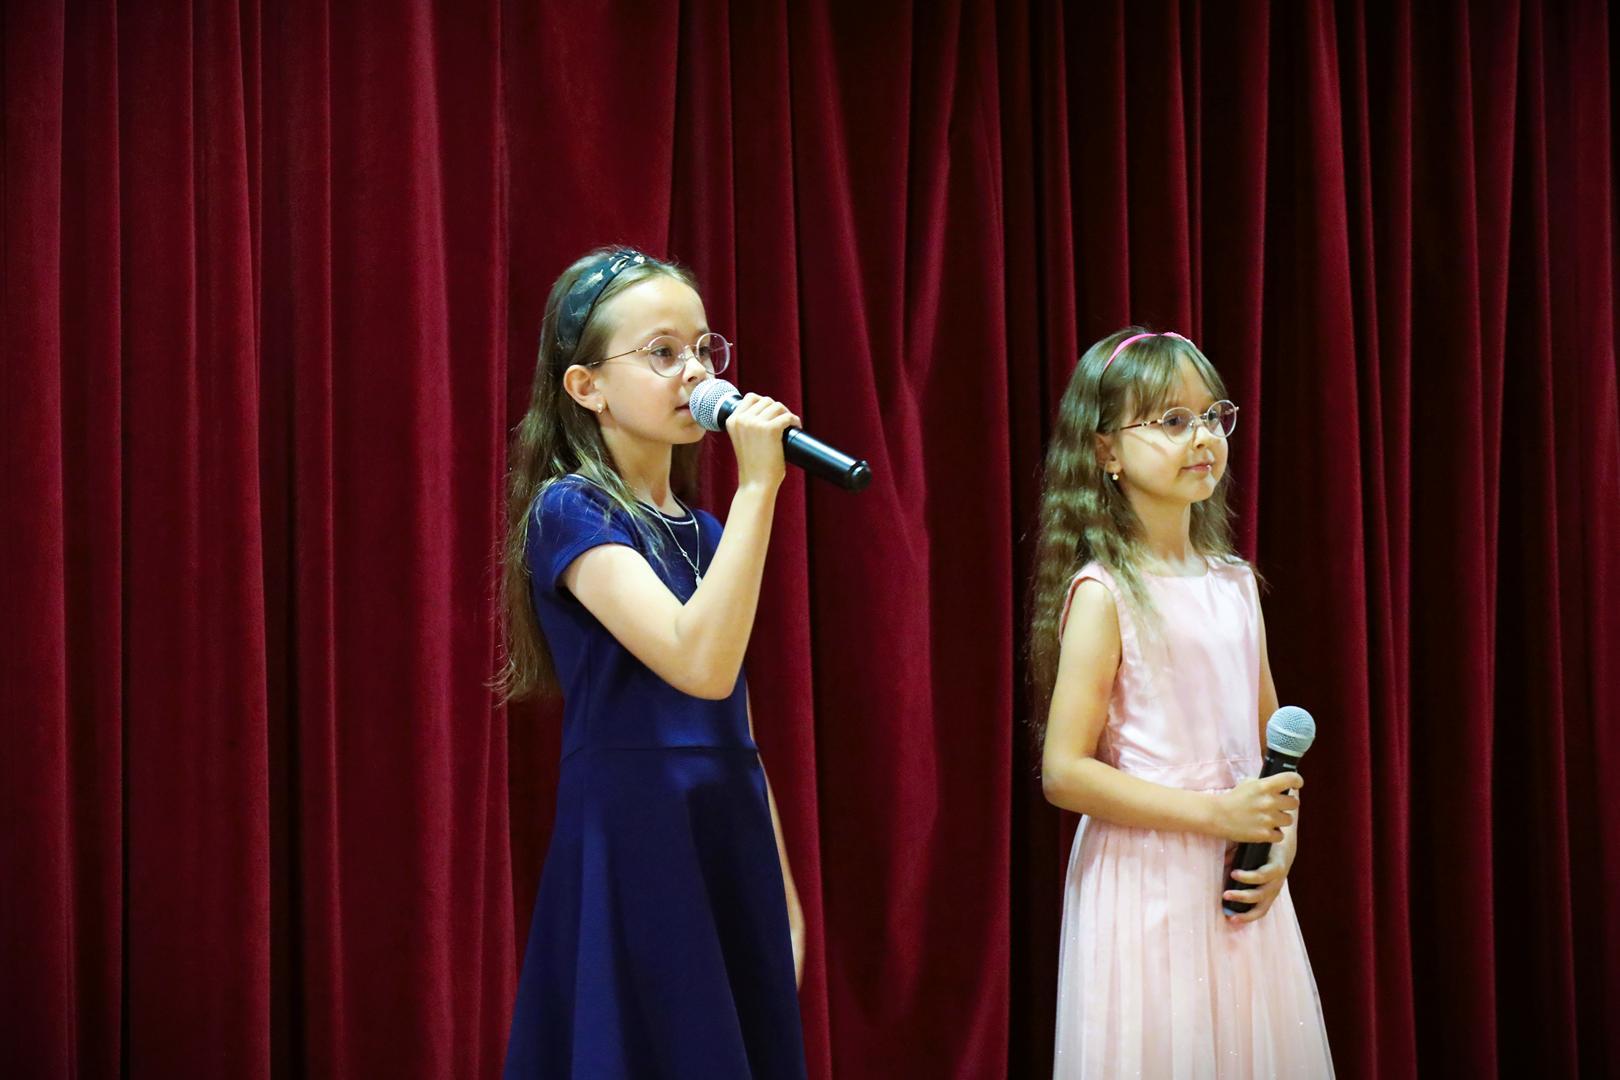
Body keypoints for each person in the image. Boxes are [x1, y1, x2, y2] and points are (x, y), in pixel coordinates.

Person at [497, 247, 807, 1078]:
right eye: (662, 353)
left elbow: (733, 712)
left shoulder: (705, 532)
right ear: (586, 387)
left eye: (703, 349)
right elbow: (696, 663)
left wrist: (777, 880)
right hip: (640, 831)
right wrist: (758, 488)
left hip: (726, 825)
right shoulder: (572, 510)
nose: (696, 373)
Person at [1030, 328, 1334, 1076]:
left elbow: (1274, 749)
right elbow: (1064, 772)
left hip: (1236, 879)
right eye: (1171, 420)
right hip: (1146, 885)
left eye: (1211, 416)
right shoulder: (1104, 593)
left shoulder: (1235, 584)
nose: (1201, 437)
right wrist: (1215, 814)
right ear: (1105, 451)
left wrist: (1281, 842)